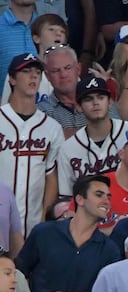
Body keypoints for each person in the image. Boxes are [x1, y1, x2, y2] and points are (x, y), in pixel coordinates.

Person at [0, 53, 60, 235]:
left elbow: (51, 177)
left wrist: (43, 220)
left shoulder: (52, 127)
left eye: (37, 72)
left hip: (32, 225)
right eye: (26, 71)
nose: (33, 76)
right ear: (12, 79)